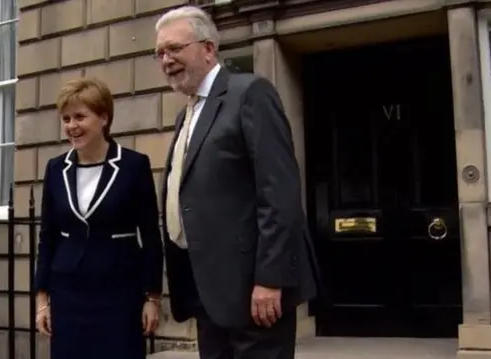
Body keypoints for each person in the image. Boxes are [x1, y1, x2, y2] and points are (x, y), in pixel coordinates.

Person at [156, 6, 320, 359]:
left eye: (174, 49)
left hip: (254, 292)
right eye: (160, 53)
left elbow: (279, 193)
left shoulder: (250, 93)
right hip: (208, 293)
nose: (165, 59)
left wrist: (270, 279)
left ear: (209, 48)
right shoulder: (186, 114)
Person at [33, 78, 164, 359]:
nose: (72, 126)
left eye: (80, 116)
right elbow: (48, 236)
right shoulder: (56, 169)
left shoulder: (133, 166)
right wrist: (42, 300)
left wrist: (152, 297)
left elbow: (152, 236)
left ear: (104, 117)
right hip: (68, 294)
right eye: (66, 118)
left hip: (119, 295)